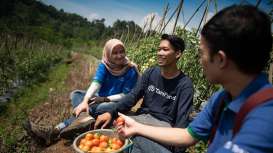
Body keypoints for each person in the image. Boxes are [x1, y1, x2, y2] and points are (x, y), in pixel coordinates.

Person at [117, 5, 273, 153]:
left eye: (201, 54)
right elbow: (187, 135)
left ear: (220, 59)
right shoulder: (223, 98)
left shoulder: (265, 118)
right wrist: (137, 127)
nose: (200, 61)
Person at [95, 34, 194, 153]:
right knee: (107, 117)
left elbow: (182, 120)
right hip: (142, 118)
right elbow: (132, 96)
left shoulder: (185, 85)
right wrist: (111, 113)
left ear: (177, 54)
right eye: (159, 49)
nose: (160, 53)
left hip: (163, 125)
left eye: (165, 49)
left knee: (130, 135)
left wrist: (177, 149)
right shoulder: (151, 72)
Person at [54, 38, 139, 137]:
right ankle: (84, 117)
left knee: (94, 107)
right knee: (76, 94)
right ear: (108, 54)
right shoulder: (104, 65)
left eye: (122, 52)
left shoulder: (131, 69)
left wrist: (105, 99)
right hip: (100, 98)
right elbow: (96, 83)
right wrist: (85, 101)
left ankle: (59, 128)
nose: (119, 56)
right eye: (115, 53)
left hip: (115, 103)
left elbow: (125, 95)